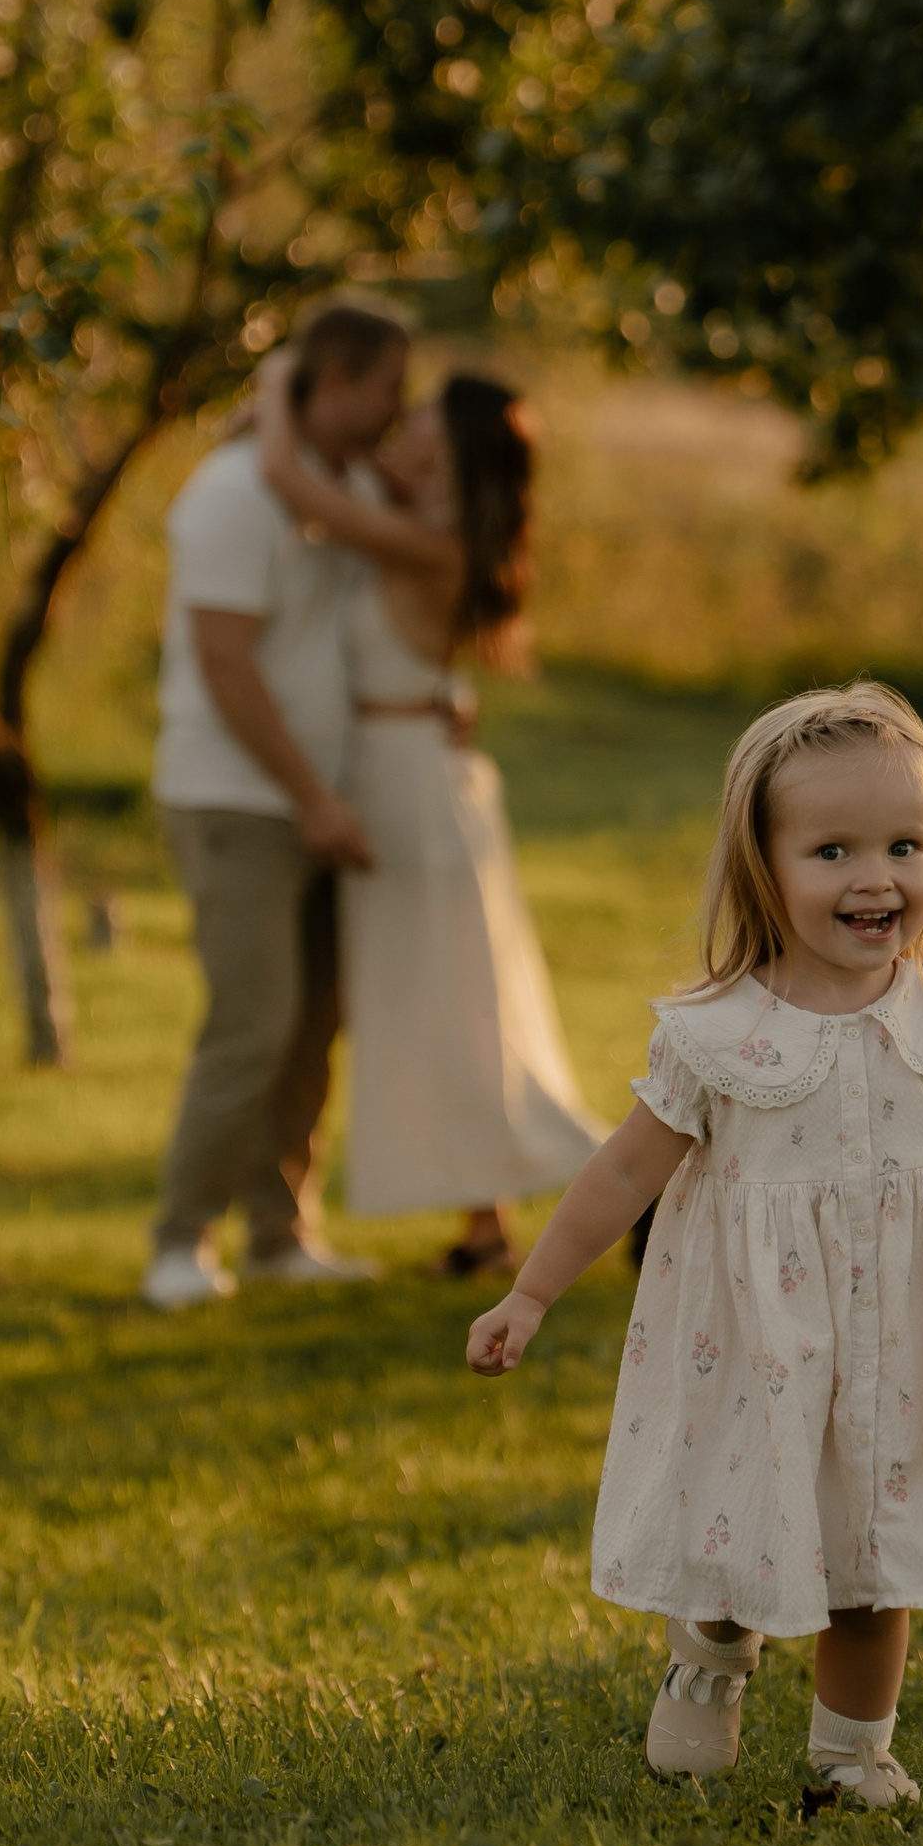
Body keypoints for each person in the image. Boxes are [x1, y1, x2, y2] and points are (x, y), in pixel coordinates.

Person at [464, 680, 923, 1810]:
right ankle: (711, 1644)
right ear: (767, 867)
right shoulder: (721, 1036)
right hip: (757, 1341)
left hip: (901, 1342)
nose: (873, 877)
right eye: (831, 850)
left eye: (903, 844)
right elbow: (622, 1172)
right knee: (747, 1512)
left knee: (875, 1549)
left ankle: (852, 1755)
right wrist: (532, 1296)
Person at [253, 355, 601, 1275]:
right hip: (407, 769)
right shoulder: (423, 526)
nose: (401, 428)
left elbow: (291, 481)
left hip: (407, 786)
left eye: (420, 422)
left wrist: (280, 383)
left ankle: (615, 1181)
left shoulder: (434, 542)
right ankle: (487, 1228)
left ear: (449, 449)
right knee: (442, 1011)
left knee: (439, 1013)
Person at [142, 299, 409, 1310]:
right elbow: (222, 663)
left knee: (311, 1029)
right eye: (388, 386)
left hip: (325, 801)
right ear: (334, 381)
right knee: (251, 1023)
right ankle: (178, 1242)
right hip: (239, 798)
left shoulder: (330, 483)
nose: (399, 407)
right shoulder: (229, 495)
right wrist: (307, 796)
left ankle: (279, 1232)